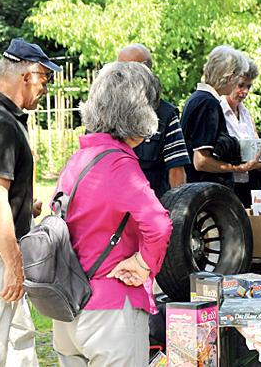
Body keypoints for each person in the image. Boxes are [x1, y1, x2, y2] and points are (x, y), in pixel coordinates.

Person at [51, 62, 172, 366]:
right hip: (111, 312)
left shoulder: (79, 159)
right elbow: (158, 223)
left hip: (67, 308)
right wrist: (144, 263)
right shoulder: (119, 164)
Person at [0, 37, 61, 367]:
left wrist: (25, 204)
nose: (46, 88)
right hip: (1, 257)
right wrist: (13, 264)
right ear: (28, 75)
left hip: (6, 250)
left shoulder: (9, 118)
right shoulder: (2, 123)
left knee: (20, 343)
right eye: (45, 79)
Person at [181, 46, 260, 190]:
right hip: (204, 192)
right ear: (230, 77)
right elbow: (201, 161)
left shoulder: (197, 98)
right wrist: (238, 168)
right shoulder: (208, 103)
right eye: (238, 80)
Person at [117, 44, 190, 199]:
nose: (117, 76)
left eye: (124, 70)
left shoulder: (165, 114)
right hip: (111, 211)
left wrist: (178, 212)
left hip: (152, 210)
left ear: (144, 72)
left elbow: (176, 171)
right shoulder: (102, 112)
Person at [220, 58, 261, 206]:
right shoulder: (217, 109)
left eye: (248, 87)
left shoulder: (245, 113)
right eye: (241, 85)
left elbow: (257, 146)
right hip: (225, 184)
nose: (244, 92)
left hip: (248, 184)